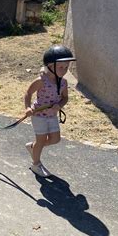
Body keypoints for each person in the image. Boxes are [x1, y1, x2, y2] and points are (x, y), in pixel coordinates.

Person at [24, 45, 76, 177]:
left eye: (66, 67)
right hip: (39, 115)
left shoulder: (63, 82)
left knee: (55, 139)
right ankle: (36, 164)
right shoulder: (41, 81)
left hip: (52, 115)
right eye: (60, 67)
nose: (64, 70)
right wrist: (28, 107)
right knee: (41, 140)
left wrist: (60, 105)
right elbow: (28, 93)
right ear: (50, 66)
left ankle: (34, 147)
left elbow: (65, 98)